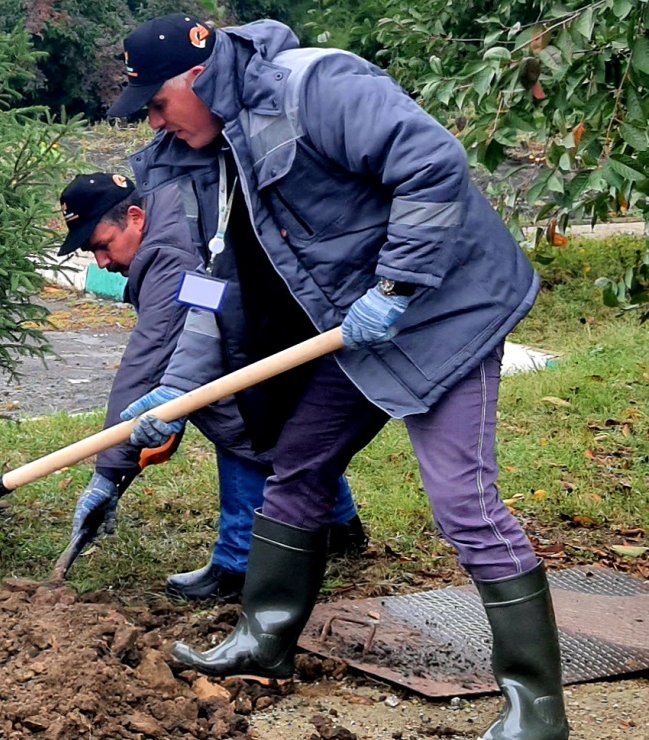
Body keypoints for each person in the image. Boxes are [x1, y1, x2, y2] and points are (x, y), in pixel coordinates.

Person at [105, 14, 568, 740]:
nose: (157, 123)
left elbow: (432, 162)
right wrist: (179, 385)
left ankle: (535, 706)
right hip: (354, 325)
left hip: (445, 308)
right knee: (298, 466)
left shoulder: (315, 84)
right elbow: (210, 282)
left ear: (195, 77)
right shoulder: (216, 153)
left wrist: (397, 285)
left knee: (463, 504)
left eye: (159, 104)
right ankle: (266, 639)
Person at [58, 173, 365, 602]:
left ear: (135, 217)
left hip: (286, 327)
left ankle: (238, 564)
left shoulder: (168, 255)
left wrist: (109, 475)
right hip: (273, 320)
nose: (101, 263)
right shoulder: (168, 210)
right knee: (256, 414)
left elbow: (150, 361)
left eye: (102, 245)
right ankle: (338, 525)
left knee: (231, 413)